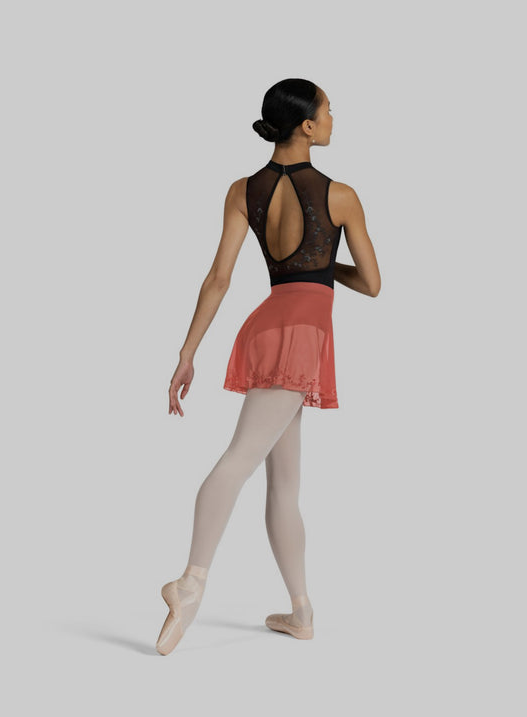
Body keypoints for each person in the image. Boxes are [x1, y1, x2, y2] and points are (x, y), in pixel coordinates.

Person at [156, 78, 381, 655]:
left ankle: (301, 612)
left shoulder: (243, 190)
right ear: (306, 124)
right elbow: (372, 283)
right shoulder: (341, 195)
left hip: (266, 324)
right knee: (239, 459)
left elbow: (219, 278)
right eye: (328, 110)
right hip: (303, 335)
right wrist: (324, 265)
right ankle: (190, 584)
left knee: (284, 482)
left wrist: (187, 354)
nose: (333, 119)